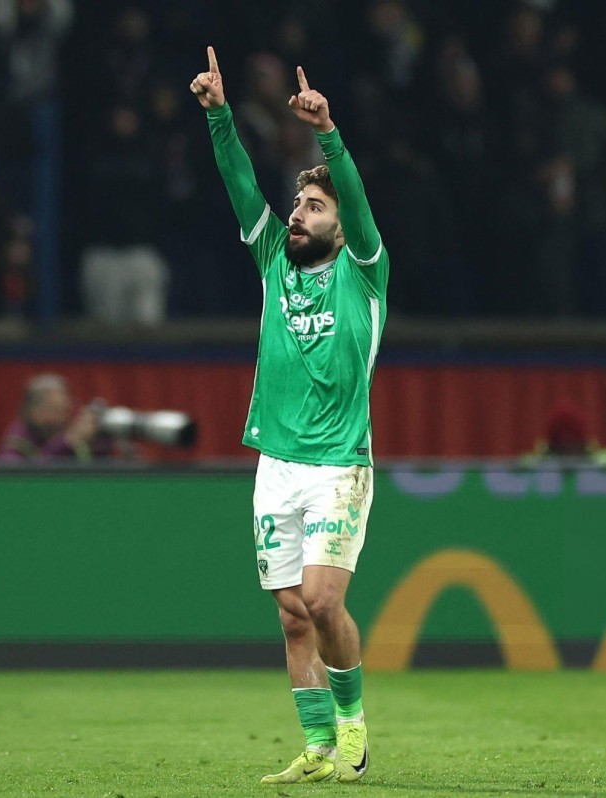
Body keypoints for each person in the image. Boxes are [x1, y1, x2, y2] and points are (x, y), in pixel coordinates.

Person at [191, 47, 387, 784]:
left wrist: (327, 134)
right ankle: (317, 744)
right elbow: (240, 184)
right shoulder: (275, 258)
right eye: (299, 205)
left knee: (323, 599)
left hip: (339, 464)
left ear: (341, 225)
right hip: (276, 464)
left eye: (315, 207)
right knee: (292, 614)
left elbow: (356, 199)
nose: (299, 215)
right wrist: (218, 115)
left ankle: (353, 724)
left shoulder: (364, 272)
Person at [0, 374, 111, 462]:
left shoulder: (59, 430)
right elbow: (17, 475)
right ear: (37, 411)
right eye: (58, 410)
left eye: (67, 408)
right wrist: (66, 441)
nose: (66, 416)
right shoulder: (17, 441)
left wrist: (98, 440)